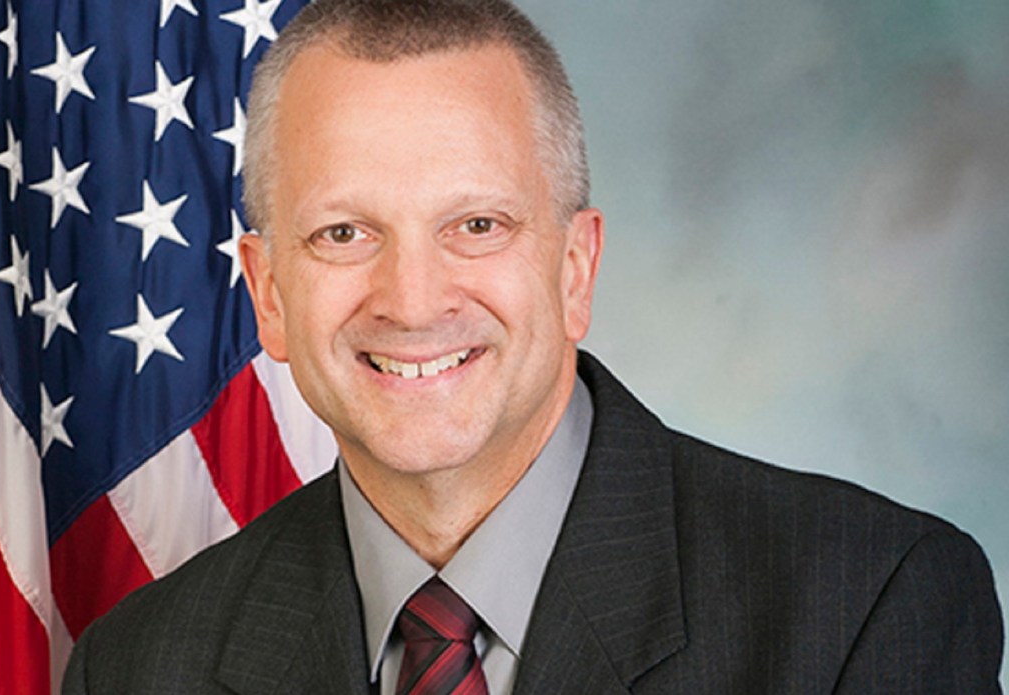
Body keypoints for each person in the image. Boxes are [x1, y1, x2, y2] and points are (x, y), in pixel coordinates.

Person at [63, 1, 1003, 693]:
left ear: (575, 268)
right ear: (269, 292)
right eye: (344, 233)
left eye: (477, 224)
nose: (412, 301)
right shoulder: (140, 666)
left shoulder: (864, 607)